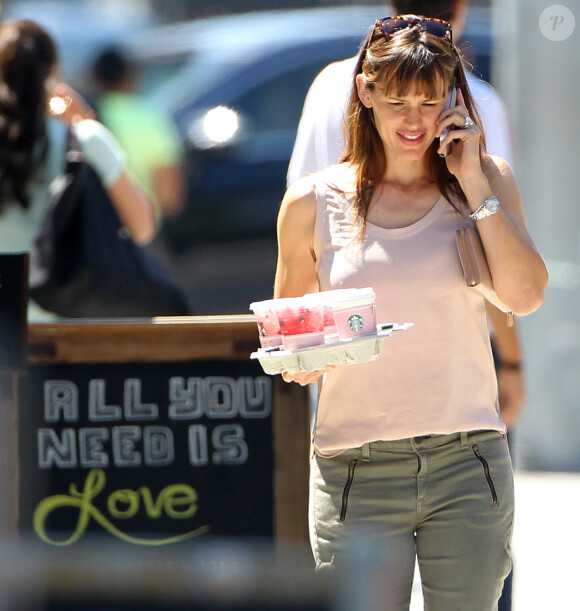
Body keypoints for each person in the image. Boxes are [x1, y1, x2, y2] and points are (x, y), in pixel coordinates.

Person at [274, 15, 547, 610]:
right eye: (397, 99)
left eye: (429, 100)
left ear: (453, 97)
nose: (415, 120)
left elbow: (525, 296)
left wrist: (474, 180)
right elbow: (295, 345)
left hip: (467, 460)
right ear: (366, 92)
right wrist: (303, 356)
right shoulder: (311, 203)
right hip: (355, 469)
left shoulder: (484, 181)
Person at [0, 19, 158, 319]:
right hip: (70, 325)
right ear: (55, 72)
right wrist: (85, 120)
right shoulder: (83, 140)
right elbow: (143, 226)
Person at [91, 47, 185, 222]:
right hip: (140, 228)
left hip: (93, 232)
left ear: (96, 78)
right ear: (131, 76)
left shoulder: (83, 116)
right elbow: (169, 195)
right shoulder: (149, 117)